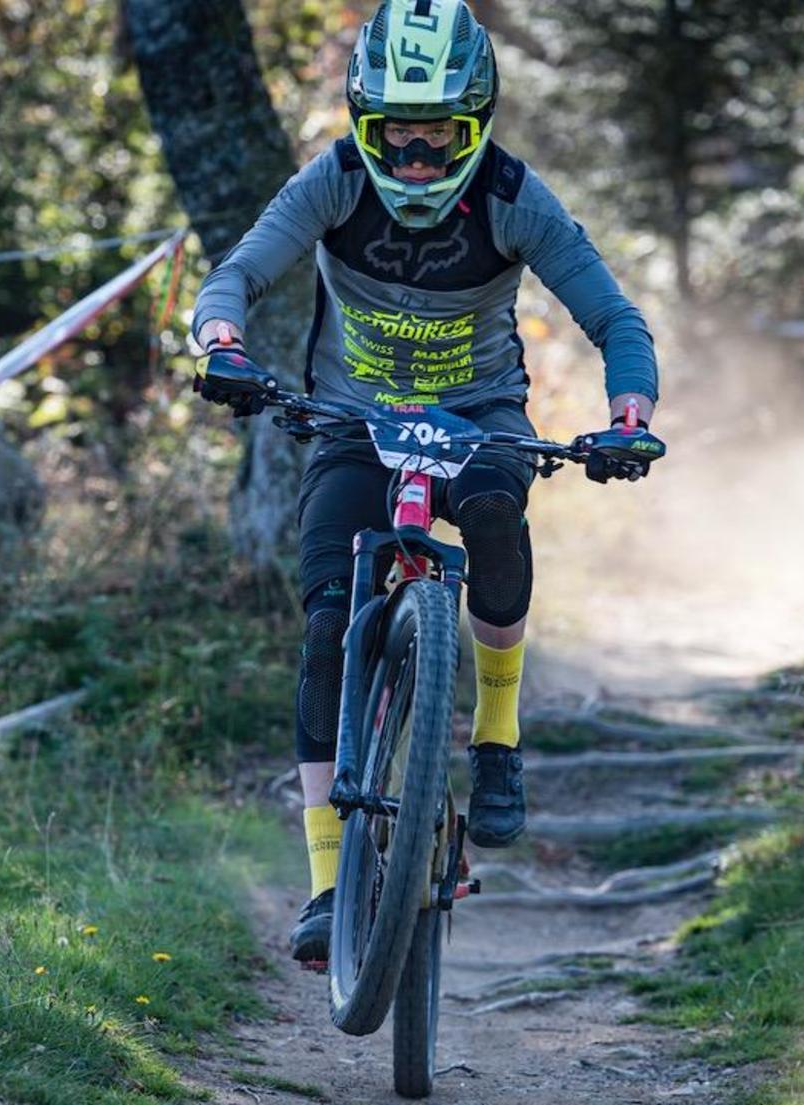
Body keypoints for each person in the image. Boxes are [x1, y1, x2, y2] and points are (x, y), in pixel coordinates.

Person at [188, 0, 660, 964]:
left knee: (493, 509)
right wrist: (222, 344)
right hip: (353, 425)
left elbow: (614, 320)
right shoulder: (331, 181)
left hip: (477, 415)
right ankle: (328, 885)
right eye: (394, 132)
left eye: (436, 133)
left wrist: (628, 415)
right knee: (326, 624)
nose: (412, 156)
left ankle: (495, 738)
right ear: (363, 123)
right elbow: (234, 276)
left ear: (474, 121)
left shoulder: (513, 197)